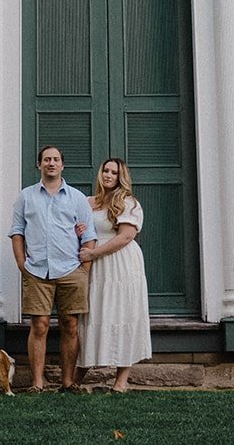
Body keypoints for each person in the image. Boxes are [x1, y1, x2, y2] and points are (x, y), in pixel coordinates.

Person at [9, 144, 96, 392]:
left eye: (56, 159)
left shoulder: (77, 198)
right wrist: (20, 263)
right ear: (39, 165)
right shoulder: (26, 196)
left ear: (62, 165)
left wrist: (84, 269)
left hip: (71, 270)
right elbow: (17, 231)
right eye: (46, 159)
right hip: (37, 271)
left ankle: (67, 382)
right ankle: (38, 383)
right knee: (40, 326)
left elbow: (88, 235)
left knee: (70, 325)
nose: (51, 163)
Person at [78, 158, 151, 392]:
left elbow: (125, 236)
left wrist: (93, 253)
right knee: (93, 314)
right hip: (96, 266)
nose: (109, 175)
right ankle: (77, 375)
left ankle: (121, 380)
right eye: (106, 171)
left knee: (123, 313)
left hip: (121, 264)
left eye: (114, 173)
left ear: (122, 178)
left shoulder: (128, 203)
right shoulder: (88, 202)